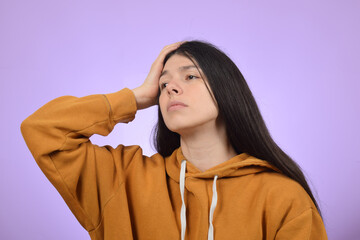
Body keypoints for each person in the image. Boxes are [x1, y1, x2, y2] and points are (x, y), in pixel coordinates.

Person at [21, 40, 327, 240]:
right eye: (163, 83)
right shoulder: (122, 177)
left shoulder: (283, 197)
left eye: (190, 76)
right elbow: (43, 129)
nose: (171, 88)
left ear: (226, 89)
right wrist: (137, 97)